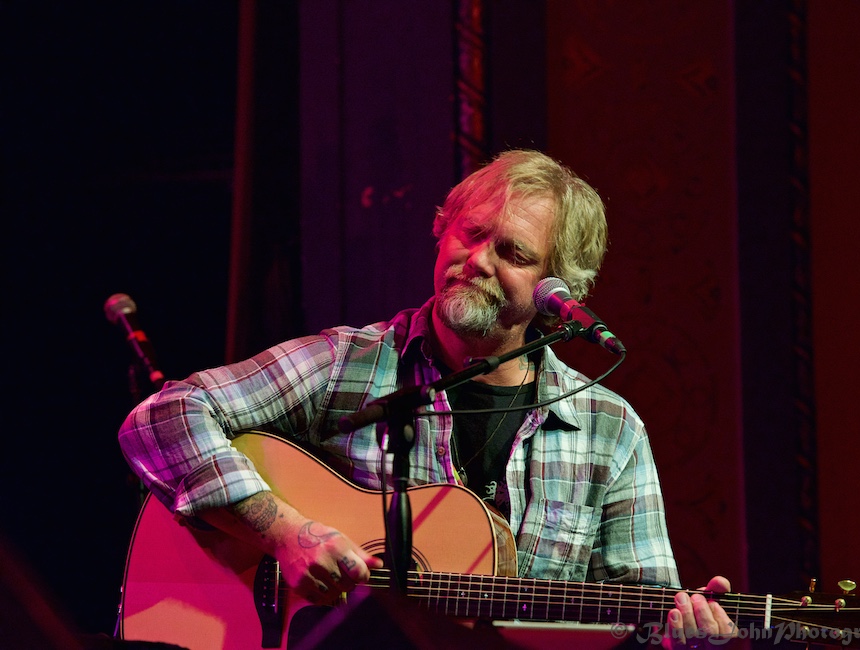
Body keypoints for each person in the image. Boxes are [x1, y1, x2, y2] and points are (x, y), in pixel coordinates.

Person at [118, 149, 735, 647]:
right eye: (470, 234)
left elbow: (644, 607)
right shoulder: (347, 365)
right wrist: (285, 533)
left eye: (511, 252)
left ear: (557, 293)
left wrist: (681, 636)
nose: (475, 261)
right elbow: (162, 417)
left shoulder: (609, 429)